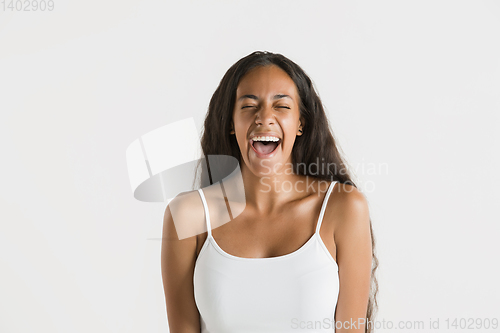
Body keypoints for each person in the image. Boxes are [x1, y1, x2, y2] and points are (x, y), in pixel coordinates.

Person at [161, 51, 378, 332]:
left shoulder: (344, 208)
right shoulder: (188, 216)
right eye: (249, 106)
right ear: (230, 122)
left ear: (301, 123)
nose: (265, 118)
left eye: (282, 106)